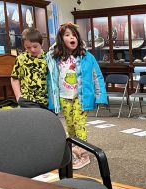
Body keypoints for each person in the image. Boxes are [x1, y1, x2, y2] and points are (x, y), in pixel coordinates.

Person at [46, 22, 108, 169]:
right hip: (64, 96)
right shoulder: (55, 57)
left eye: (74, 35)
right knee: (71, 126)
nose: (71, 37)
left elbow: (97, 76)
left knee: (79, 125)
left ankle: (84, 155)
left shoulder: (87, 56)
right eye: (67, 35)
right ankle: (75, 151)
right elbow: (51, 78)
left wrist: (100, 96)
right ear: (61, 39)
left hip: (81, 97)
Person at [11, 27, 48, 109]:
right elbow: (14, 78)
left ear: (42, 43)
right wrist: (18, 97)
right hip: (27, 99)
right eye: (28, 47)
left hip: (46, 100)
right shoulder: (21, 58)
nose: (32, 50)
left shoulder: (48, 58)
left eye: (35, 46)